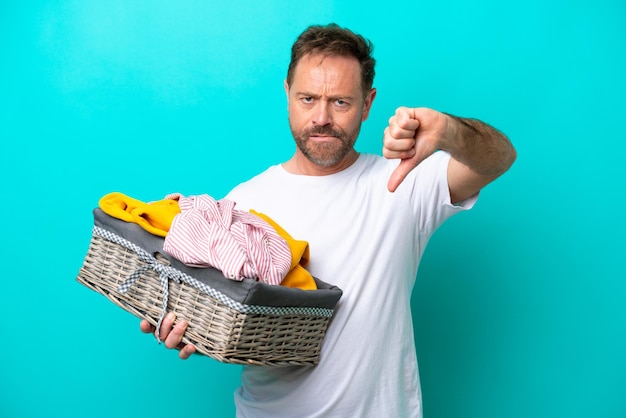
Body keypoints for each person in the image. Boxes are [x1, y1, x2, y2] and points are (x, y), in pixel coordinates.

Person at [140, 23, 516, 417]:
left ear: (368, 104)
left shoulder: (403, 181)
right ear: (287, 93)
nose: (321, 117)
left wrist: (448, 131)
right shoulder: (243, 203)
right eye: (307, 98)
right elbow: (225, 318)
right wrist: (191, 327)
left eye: (340, 102)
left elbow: (500, 158)